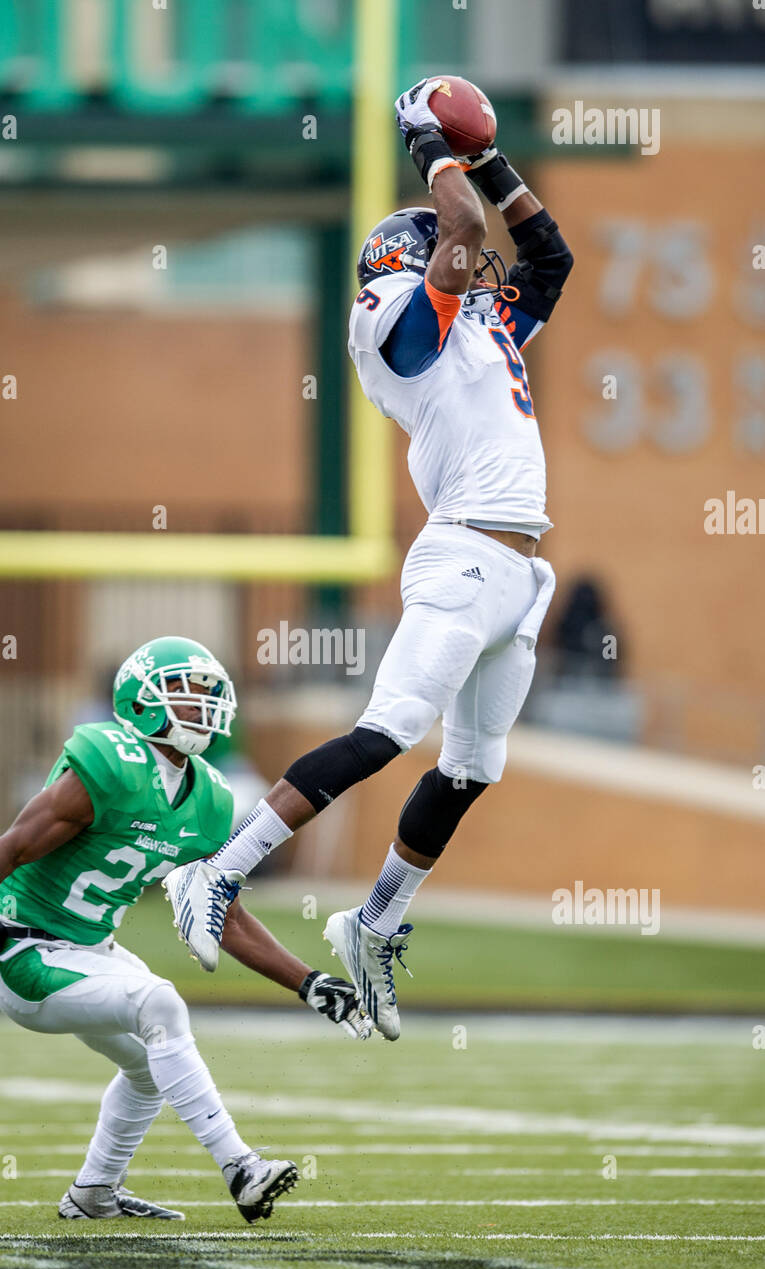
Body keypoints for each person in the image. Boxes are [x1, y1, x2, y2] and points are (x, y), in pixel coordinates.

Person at [164, 76, 574, 1042]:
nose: (470, 265)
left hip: (517, 573)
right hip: (466, 551)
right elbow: (466, 228)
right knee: (389, 730)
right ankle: (216, 872)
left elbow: (547, 258)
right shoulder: (395, 321)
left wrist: (485, 154)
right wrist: (434, 142)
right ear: (408, 257)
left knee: (471, 770)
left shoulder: (479, 319)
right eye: (444, 251)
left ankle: (376, 918)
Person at [0, 635, 368, 1223]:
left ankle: (92, 1193)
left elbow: (223, 913)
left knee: (150, 1064)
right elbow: (13, 846)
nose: (203, 705)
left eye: (209, 692)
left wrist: (309, 982)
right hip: (29, 956)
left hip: (94, 953)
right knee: (161, 1004)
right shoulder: (110, 761)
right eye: (185, 690)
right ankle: (241, 1168)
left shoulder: (208, 797)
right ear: (142, 700)